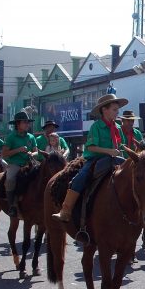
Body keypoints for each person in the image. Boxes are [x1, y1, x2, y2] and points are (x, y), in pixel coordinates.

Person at [52, 94, 127, 222]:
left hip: (115, 159)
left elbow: (122, 146)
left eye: (117, 109)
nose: (117, 112)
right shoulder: (96, 126)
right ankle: (66, 210)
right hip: (95, 160)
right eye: (114, 109)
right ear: (104, 110)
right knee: (80, 178)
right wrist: (109, 151)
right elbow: (91, 147)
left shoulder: (118, 128)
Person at [2, 112, 38, 218]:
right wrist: (18, 150)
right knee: (10, 179)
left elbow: (36, 152)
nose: (27, 124)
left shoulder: (31, 137)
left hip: (29, 163)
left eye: (28, 122)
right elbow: (4, 154)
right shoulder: (11, 137)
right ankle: (12, 205)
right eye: (25, 122)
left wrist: (32, 153)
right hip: (15, 164)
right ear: (18, 124)